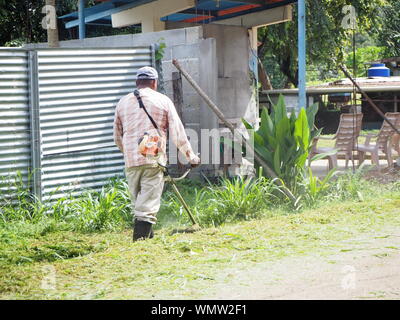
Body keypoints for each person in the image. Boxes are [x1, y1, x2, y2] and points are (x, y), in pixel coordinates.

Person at [113, 66, 200, 241]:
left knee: (139, 202)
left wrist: (129, 153)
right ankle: (140, 243)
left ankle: (147, 239)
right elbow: (178, 133)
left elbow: (117, 136)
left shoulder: (122, 102)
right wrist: (191, 156)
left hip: (131, 160)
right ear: (154, 83)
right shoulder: (163, 101)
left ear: (137, 82)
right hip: (153, 158)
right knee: (147, 204)